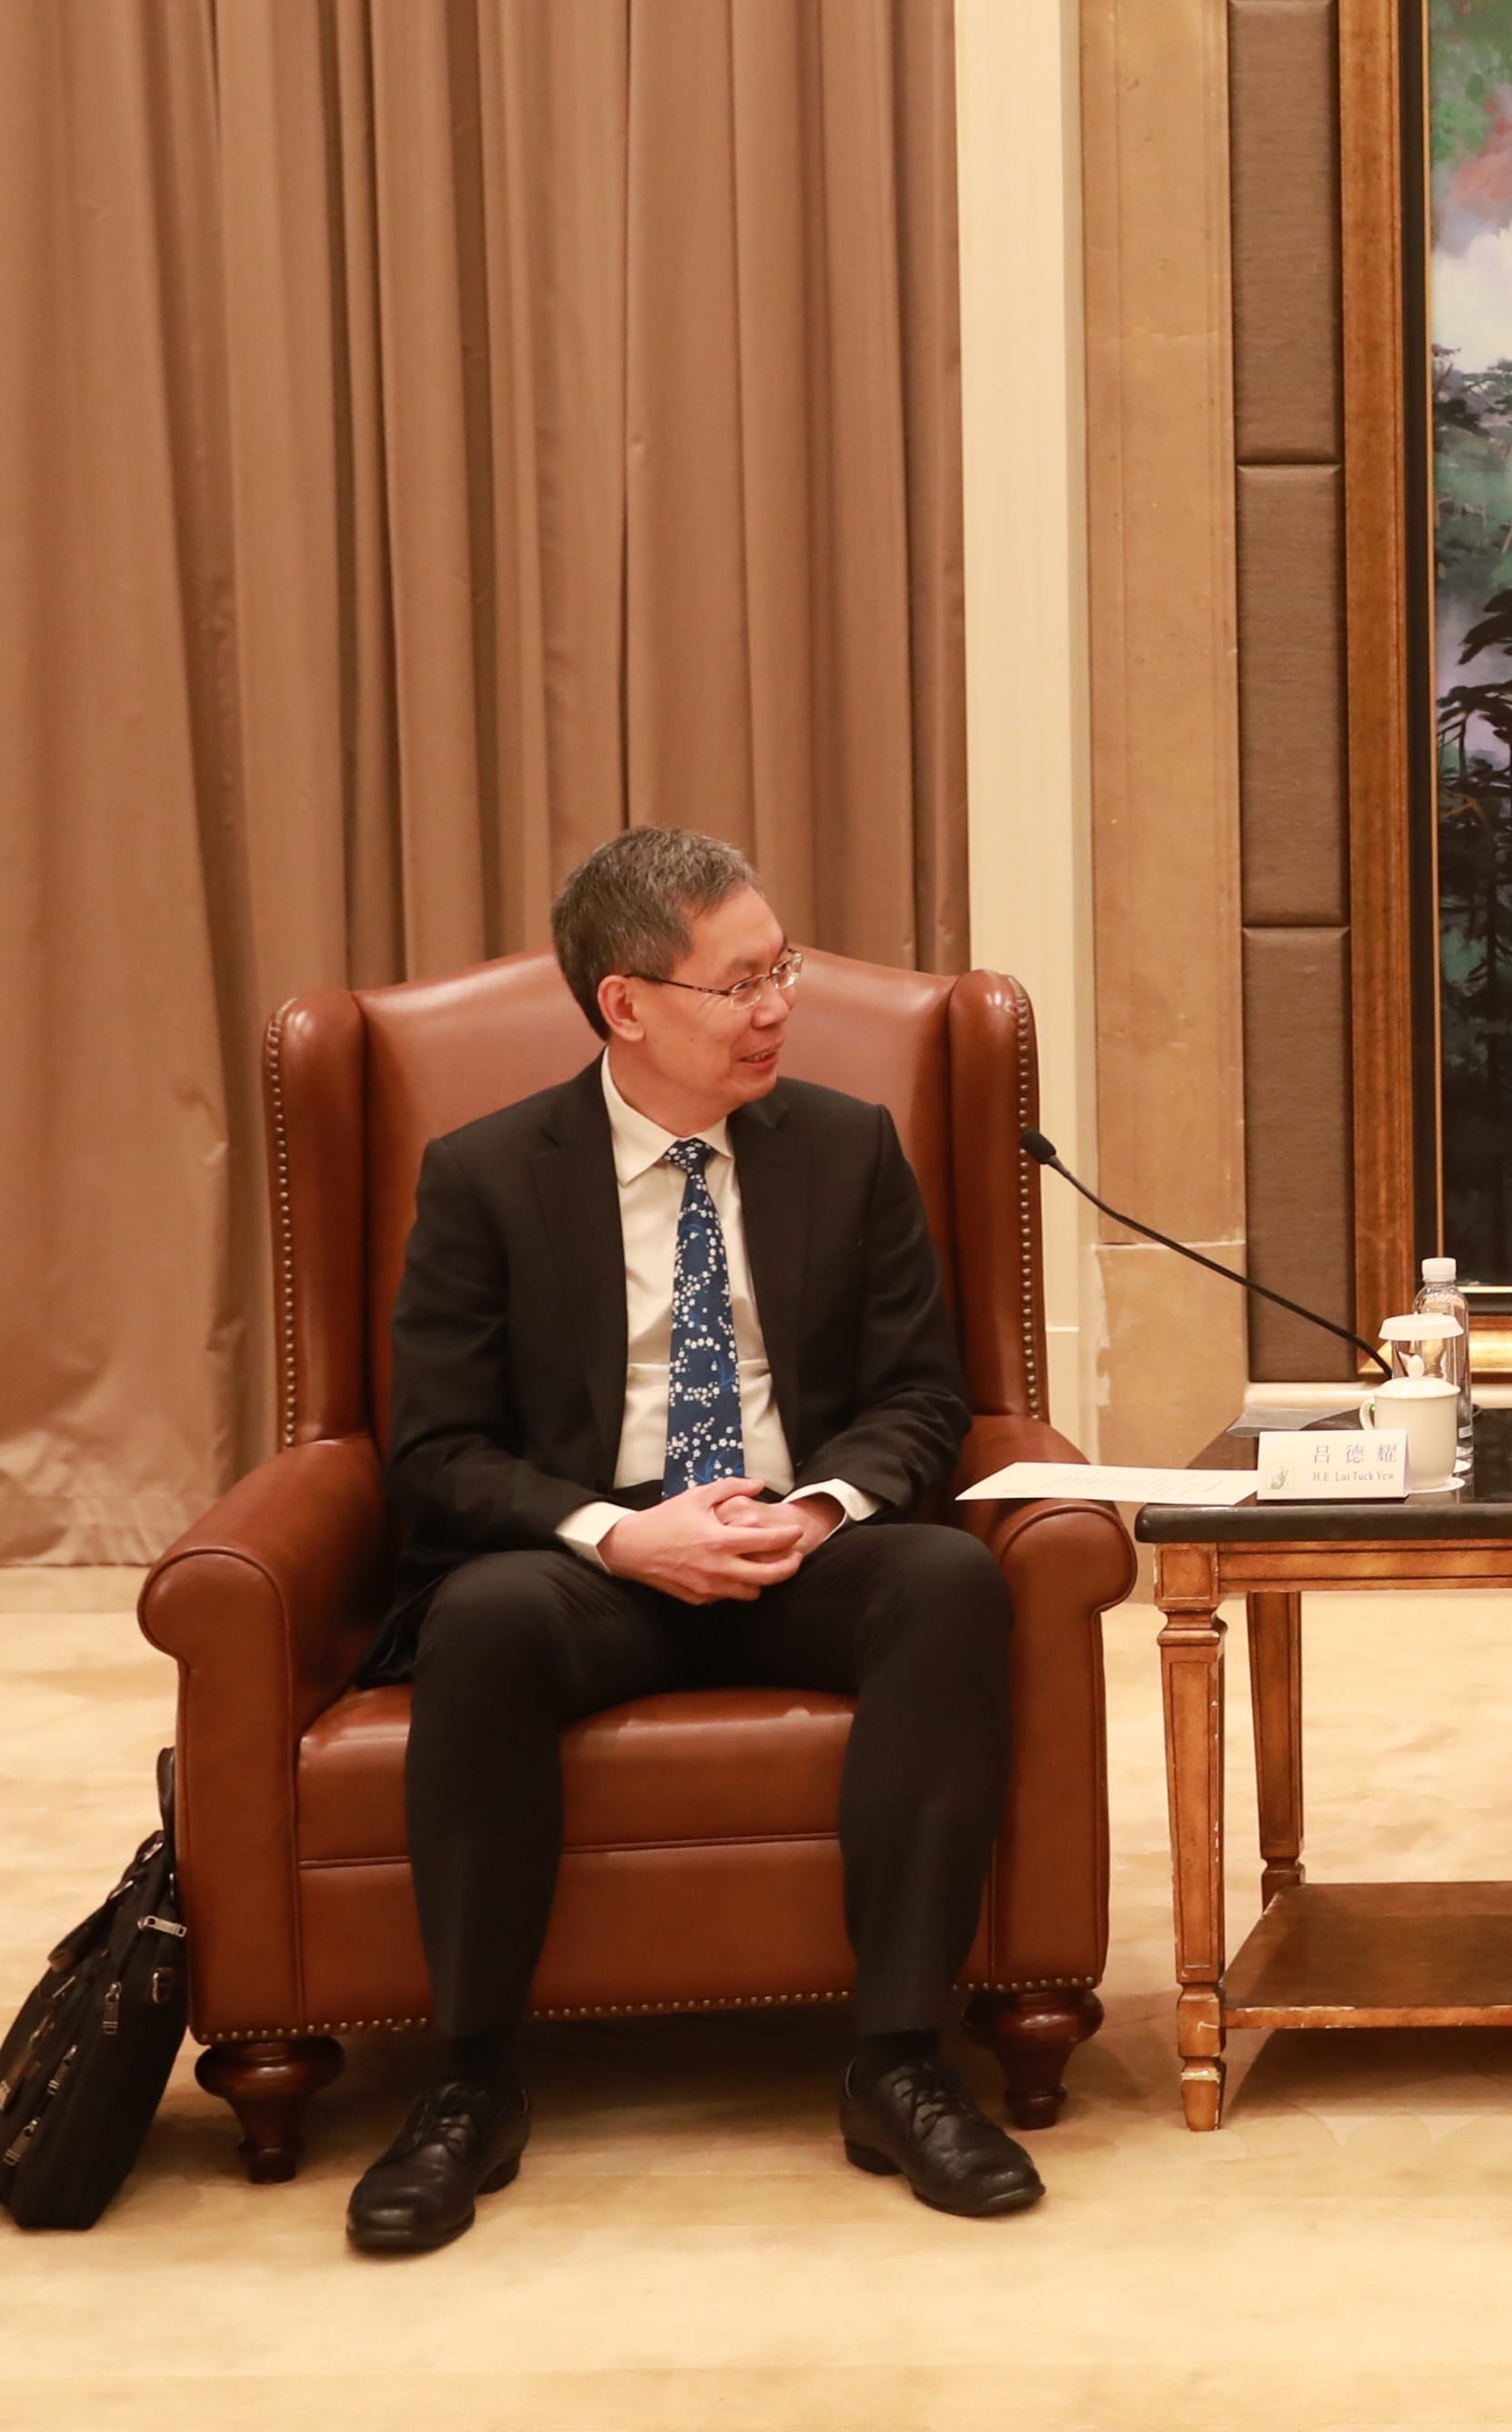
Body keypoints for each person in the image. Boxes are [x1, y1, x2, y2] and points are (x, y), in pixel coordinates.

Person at [342, 827, 1039, 2253]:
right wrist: (621, 1535)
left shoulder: (847, 1148)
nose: (777, 1007)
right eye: (740, 984)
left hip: (796, 1547)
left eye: (781, 971)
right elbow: (435, 1455)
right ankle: (470, 2081)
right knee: (481, 1622)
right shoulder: (486, 1175)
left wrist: (817, 1508)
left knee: (948, 1583)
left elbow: (922, 1398)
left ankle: (899, 2061)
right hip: (592, 1566)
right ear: (626, 1004)